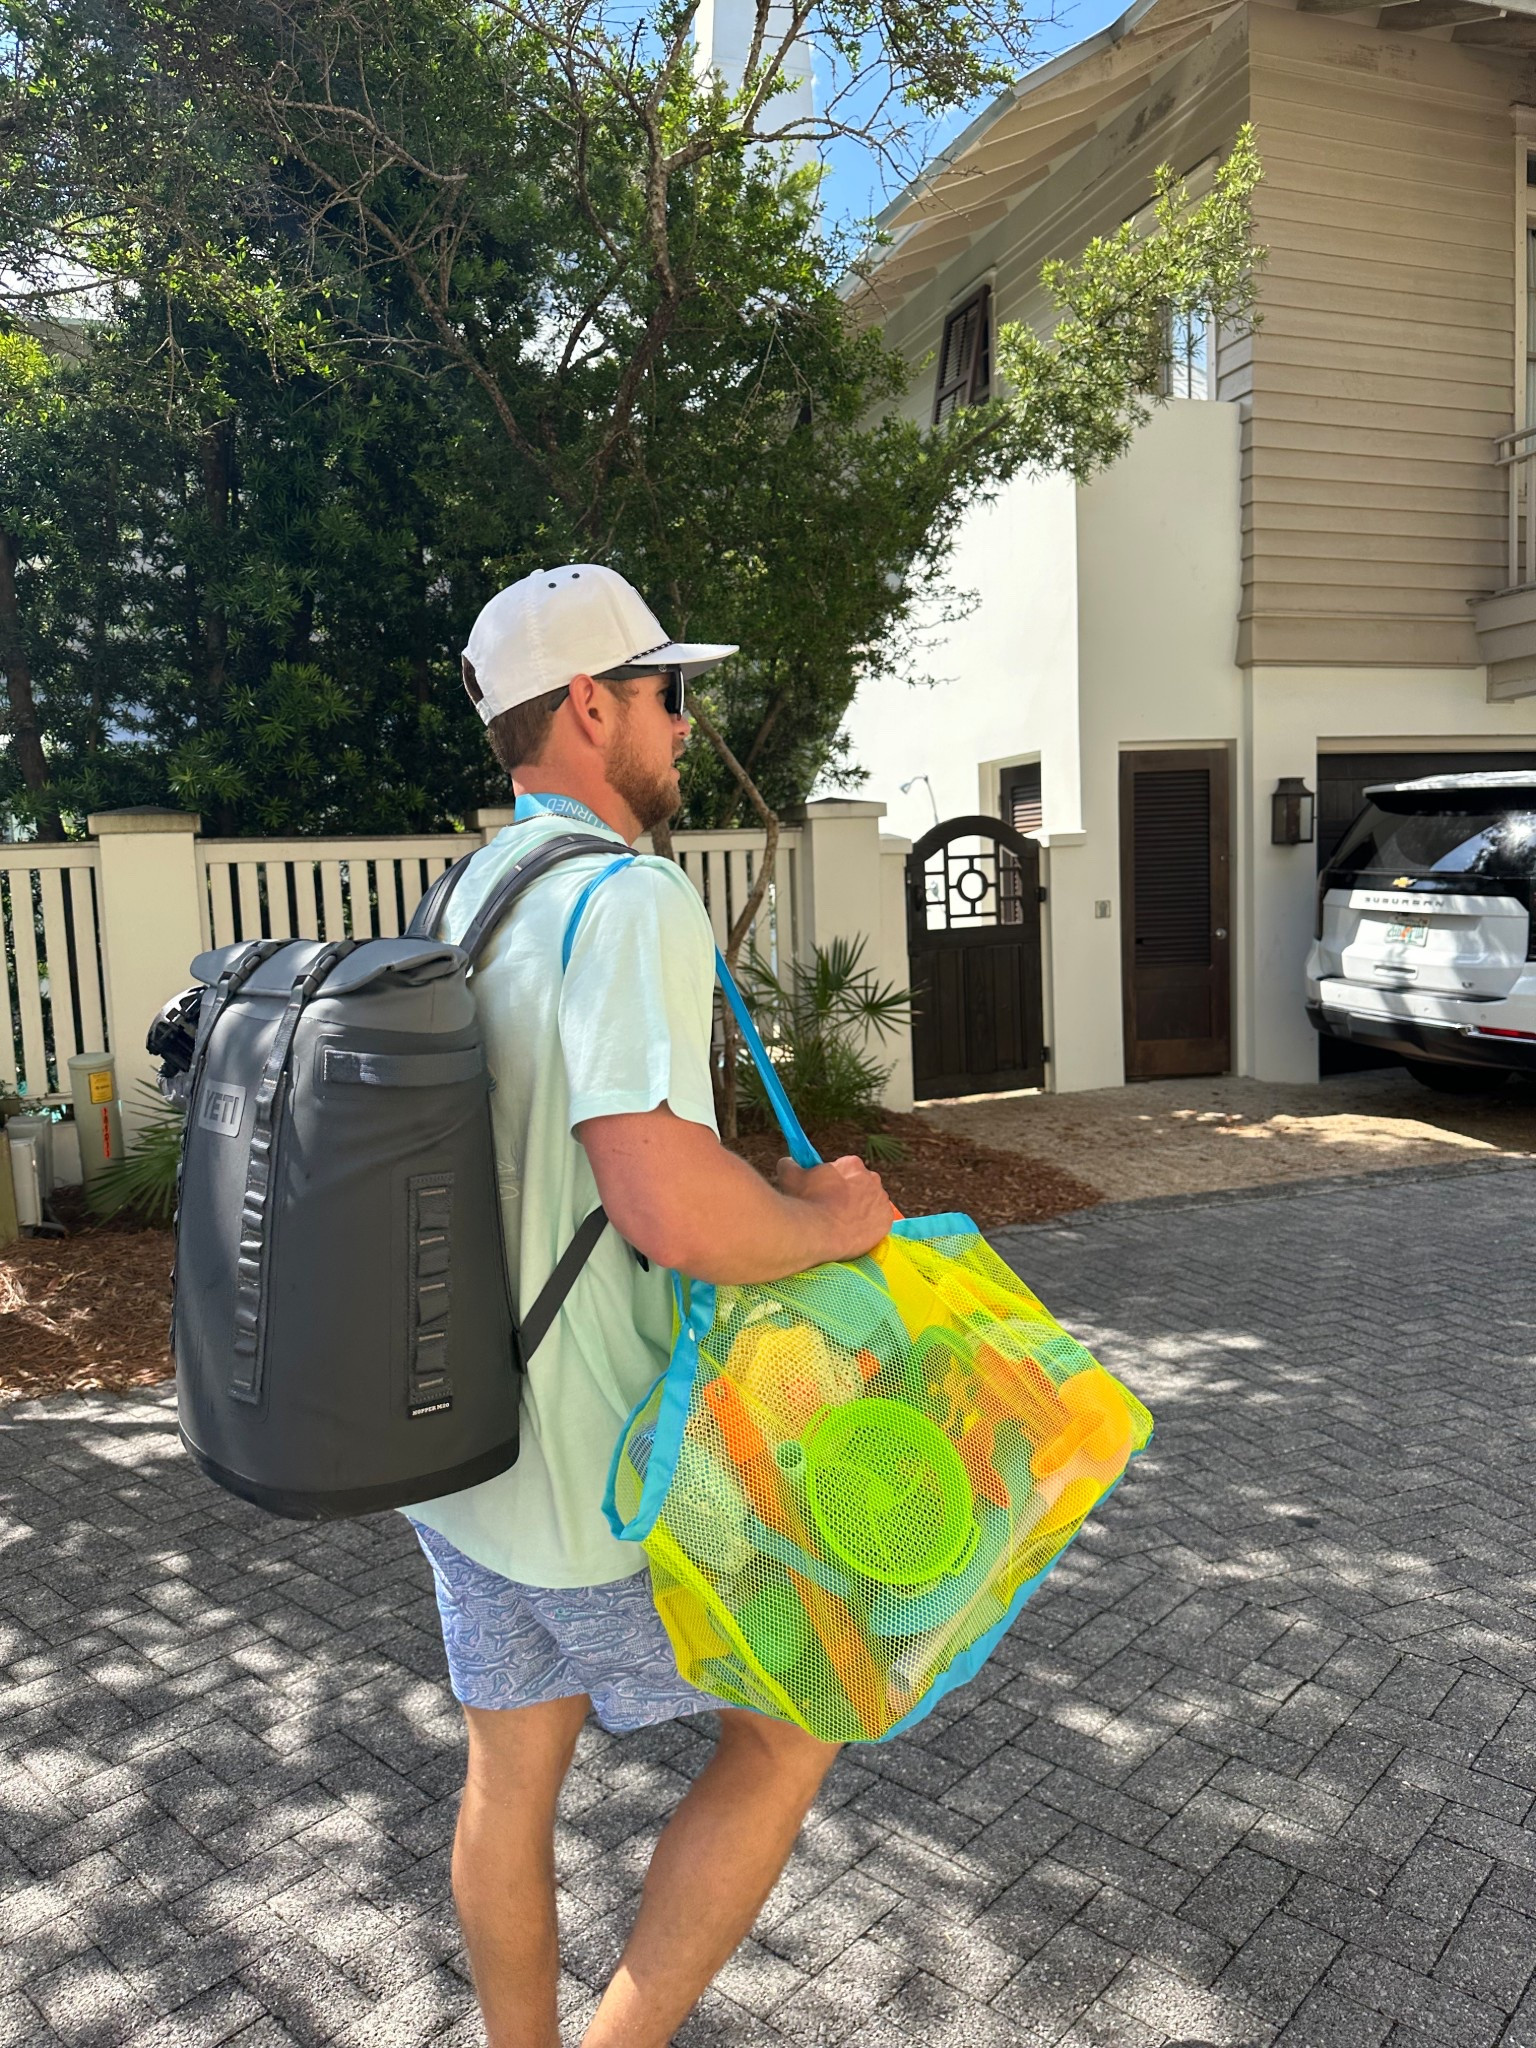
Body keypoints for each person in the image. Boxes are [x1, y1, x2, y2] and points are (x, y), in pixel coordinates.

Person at [404, 564, 893, 2048]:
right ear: (592, 706)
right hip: (613, 1472)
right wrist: (825, 1219)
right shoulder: (625, 900)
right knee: (799, 1725)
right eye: (670, 691)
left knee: (508, 1782)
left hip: (473, 1459)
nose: (688, 720)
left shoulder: (474, 893)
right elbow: (663, 1208)